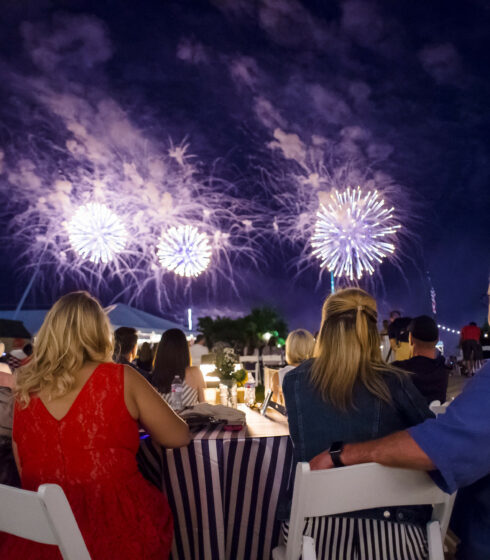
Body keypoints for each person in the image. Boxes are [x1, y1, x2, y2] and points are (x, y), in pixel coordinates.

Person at [0, 291, 190, 560]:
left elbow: (25, 470)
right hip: (117, 531)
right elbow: (178, 436)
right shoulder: (121, 378)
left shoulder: (25, 392)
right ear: (100, 333)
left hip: (40, 537)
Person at [282, 288, 433, 559]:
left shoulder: (295, 381)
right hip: (393, 532)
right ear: (373, 331)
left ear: (325, 329)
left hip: (314, 532)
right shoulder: (395, 381)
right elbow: (435, 443)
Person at [309, 357, 490, 560]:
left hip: (318, 536)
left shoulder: (297, 380)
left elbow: (438, 448)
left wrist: (341, 453)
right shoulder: (398, 379)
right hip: (408, 532)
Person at [393, 315, 450, 404]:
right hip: (436, 416)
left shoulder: (396, 370)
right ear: (437, 340)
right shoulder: (443, 370)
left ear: (410, 339)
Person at [151, 328, 206, 407]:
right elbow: (203, 405)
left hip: (163, 419)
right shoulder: (195, 372)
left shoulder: (154, 377)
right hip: (190, 419)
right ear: (184, 350)